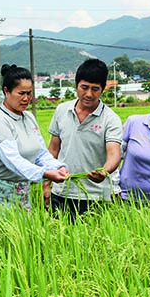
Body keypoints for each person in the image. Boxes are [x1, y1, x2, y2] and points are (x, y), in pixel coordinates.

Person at [0, 64, 68, 215]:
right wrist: (45, 173)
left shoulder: (29, 118)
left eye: (30, 93)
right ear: (6, 91)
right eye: (21, 93)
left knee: (23, 236)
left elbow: (40, 154)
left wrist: (58, 167)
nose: (26, 98)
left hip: (22, 195)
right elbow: (14, 161)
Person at [45, 58, 123, 218]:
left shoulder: (110, 118)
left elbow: (114, 154)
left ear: (103, 88)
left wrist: (104, 171)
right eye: (84, 87)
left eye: (95, 89)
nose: (88, 94)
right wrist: (46, 184)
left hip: (95, 197)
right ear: (76, 84)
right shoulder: (61, 110)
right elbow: (53, 150)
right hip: (61, 192)